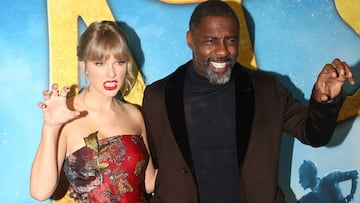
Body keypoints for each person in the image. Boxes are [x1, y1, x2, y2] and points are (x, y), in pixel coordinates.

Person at [141, 1, 355, 202]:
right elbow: (151, 164)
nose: (223, 50)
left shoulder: (266, 88)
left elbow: (314, 135)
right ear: (190, 39)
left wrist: (324, 99)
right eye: (211, 41)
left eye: (231, 40)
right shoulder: (157, 97)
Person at [30, 21, 157, 202]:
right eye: (100, 63)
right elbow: (40, 192)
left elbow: (148, 182)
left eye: (119, 62)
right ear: (84, 66)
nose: (111, 73)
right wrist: (50, 127)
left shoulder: (134, 114)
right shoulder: (67, 116)